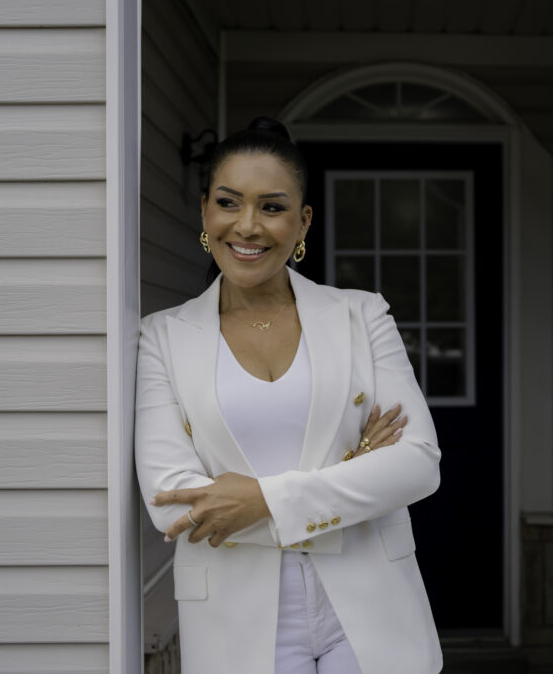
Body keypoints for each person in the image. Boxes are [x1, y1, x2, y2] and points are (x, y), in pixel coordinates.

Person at [135, 116, 443, 674]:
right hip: (237, 615)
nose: (247, 226)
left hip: (372, 604)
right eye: (229, 203)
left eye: (272, 208)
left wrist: (261, 501)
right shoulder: (162, 336)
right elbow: (173, 500)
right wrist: (354, 467)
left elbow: (417, 465)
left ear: (302, 222)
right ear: (206, 211)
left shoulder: (360, 315)